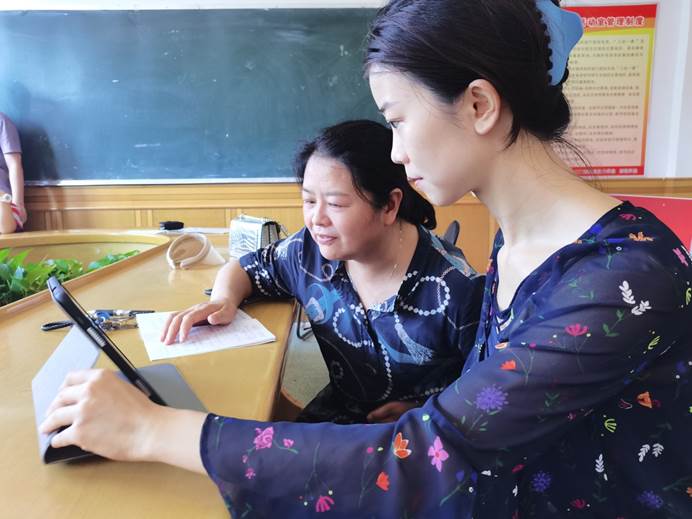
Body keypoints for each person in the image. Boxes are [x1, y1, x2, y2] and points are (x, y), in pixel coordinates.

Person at [40, 1, 692, 517]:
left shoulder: (626, 276)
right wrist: (436, 408)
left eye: (397, 119)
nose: (397, 153)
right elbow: (486, 411)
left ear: (479, 105)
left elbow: (429, 457)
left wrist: (151, 432)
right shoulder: (520, 243)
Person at [162, 119, 484, 424]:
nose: (317, 219)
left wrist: (428, 410)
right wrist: (222, 300)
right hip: (340, 416)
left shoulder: (456, 288)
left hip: (427, 434)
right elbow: (247, 268)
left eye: (336, 204)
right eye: (309, 201)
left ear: (389, 205)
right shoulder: (308, 252)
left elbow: (492, 390)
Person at [0, 112, 26, 233]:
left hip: (3, 199)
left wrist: (18, 203)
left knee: (5, 227)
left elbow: (14, 164)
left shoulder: (2, 121)